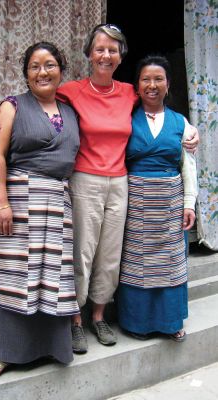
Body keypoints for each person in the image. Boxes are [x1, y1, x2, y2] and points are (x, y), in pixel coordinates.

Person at [0, 24, 199, 355]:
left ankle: (99, 314)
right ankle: (75, 318)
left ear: (120, 57)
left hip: (121, 182)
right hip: (85, 179)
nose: (105, 55)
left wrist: (190, 132)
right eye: (99, 48)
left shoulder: (131, 91)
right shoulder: (71, 90)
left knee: (110, 255)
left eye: (113, 50)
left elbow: (160, 112)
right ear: (88, 54)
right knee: (81, 252)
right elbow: (34, 97)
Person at [0, 41, 80, 384]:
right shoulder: (12, 106)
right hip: (20, 204)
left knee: (51, 278)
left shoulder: (69, 110)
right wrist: (0, 202)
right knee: (16, 277)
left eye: (49, 64)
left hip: (56, 205)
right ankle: (4, 353)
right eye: (34, 66)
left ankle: (51, 346)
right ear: (25, 75)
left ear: (61, 70)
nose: (42, 72)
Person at [116, 55, 198, 342]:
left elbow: (188, 166)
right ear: (136, 86)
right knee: (136, 263)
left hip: (170, 205)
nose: (152, 85)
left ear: (168, 84)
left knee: (170, 265)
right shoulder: (125, 120)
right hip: (135, 203)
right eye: (146, 79)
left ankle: (169, 321)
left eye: (158, 79)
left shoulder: (180, 123)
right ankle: (136, 323)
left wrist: (190, 203)